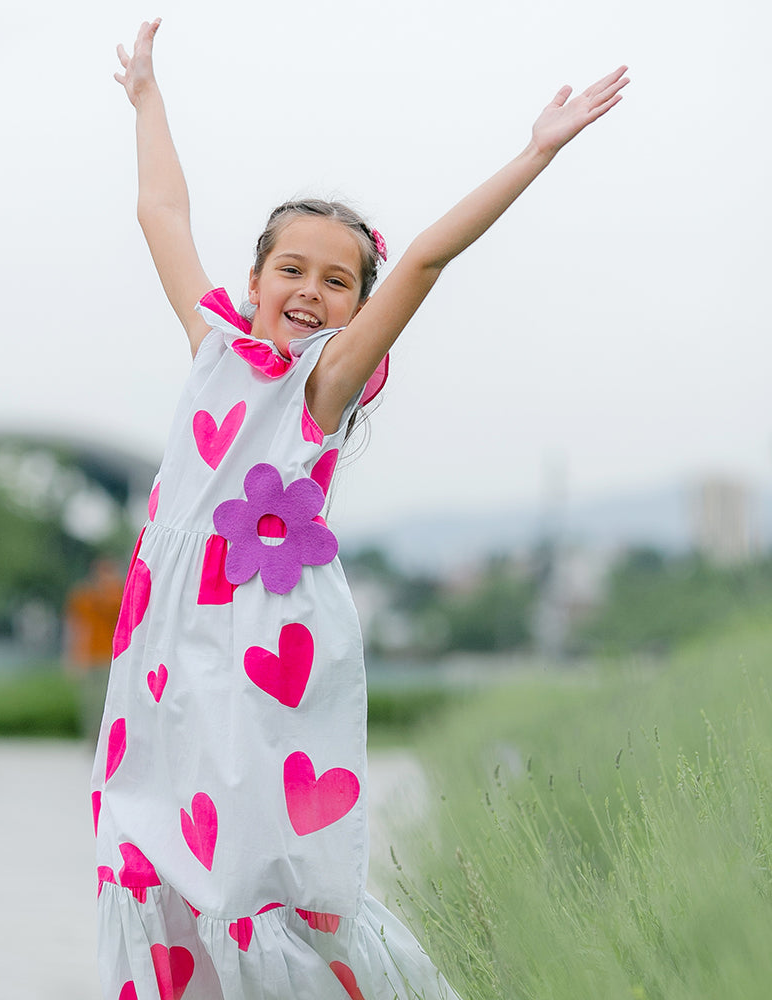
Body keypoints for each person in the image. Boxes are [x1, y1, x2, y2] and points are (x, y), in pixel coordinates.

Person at [92, 17, 628, 1000]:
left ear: (354, 313)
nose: (308, 290)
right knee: (148, 842)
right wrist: (146, 97)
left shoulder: (319, 388)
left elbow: (422, 259)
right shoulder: (213, 344)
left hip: (261, 641)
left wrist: (534, 153)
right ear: (251, 281)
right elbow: (160, 212)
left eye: (336, 281)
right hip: (166, 641)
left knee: (255, 868)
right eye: (290, 269)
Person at [64, 558, 125, 743]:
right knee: (91, 703)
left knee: (113, 701)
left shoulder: (119, 593)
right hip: (91, 656)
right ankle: (92, 740)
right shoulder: (84, 595)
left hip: (115, 657)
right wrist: (73, 654)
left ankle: (109, 739)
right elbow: (76, 626)